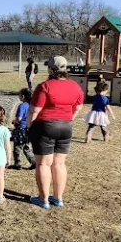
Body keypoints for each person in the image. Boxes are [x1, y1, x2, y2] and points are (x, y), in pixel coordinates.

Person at [27, 56, 84, 209]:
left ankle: (43, 199)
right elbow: (78, 108)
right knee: (59, 163)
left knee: (44, 164)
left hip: (45, 126)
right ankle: (58, 198)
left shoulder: (44, 86)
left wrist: (29, 126)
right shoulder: (75, 86)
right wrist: (68, 119)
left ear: (51, 70)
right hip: (66, 126)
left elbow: (34, 110)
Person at [11, 88, 35, 170]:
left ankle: (17, 163)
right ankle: (34, 162)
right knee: (27, 147)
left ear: (23, 96)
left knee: (17, 147)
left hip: (20, 129)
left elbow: (19, 118)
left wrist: (14, 122)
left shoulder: (22, 106)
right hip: (29, 129)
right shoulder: (32, 105)